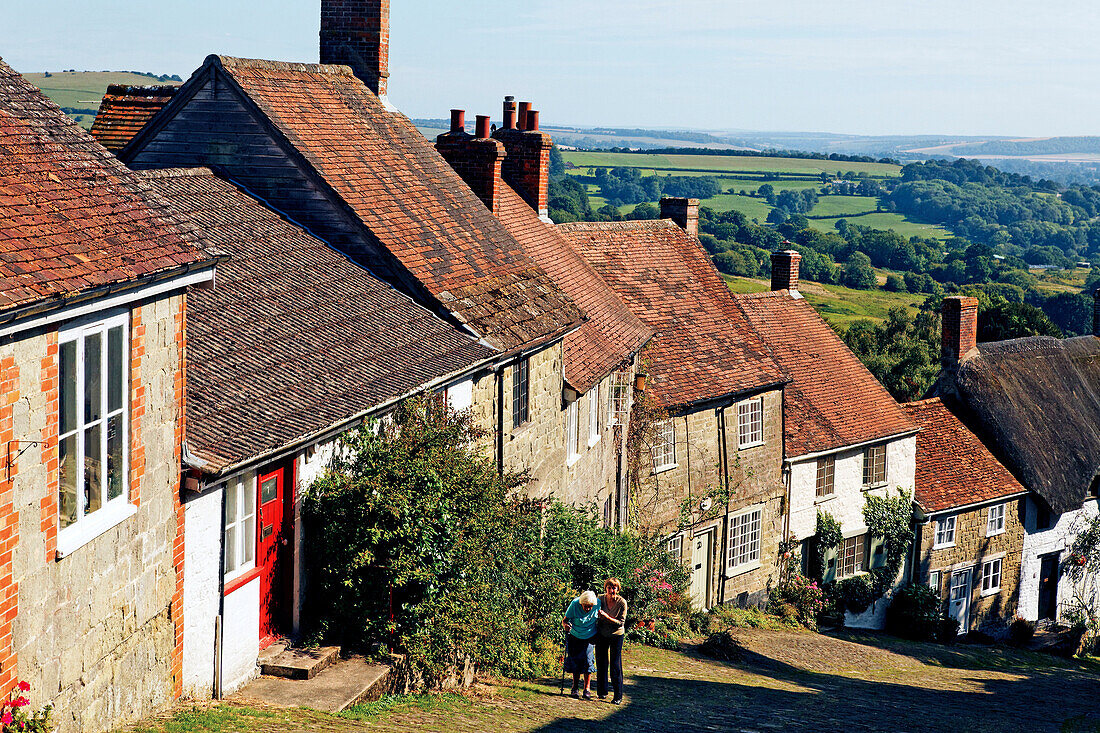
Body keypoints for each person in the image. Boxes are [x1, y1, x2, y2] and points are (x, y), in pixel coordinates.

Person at [595, 577, 628, 704]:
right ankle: (602, 692)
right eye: (609, 587)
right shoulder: (600, 599)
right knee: (601, 662)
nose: (611, 590)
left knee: (615, 665)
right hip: (602, 634)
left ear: (618, 589)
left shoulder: (621, 602)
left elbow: (620, 623)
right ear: (606, 588)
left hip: (616, 635)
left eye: (614, 588)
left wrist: (607, 617)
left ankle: (617, 696)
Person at [562, 590, 600, 699]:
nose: (588, 609)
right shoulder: (574, 604)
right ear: (581, 603)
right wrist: (565, 625)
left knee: (588, 662)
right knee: (575, 661)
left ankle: (587, 689)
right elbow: (565, 620)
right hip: (575, 635)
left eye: (590, 607)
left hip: (590, 636)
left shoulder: (597, 604)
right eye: (585, 606)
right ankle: (574, 688)